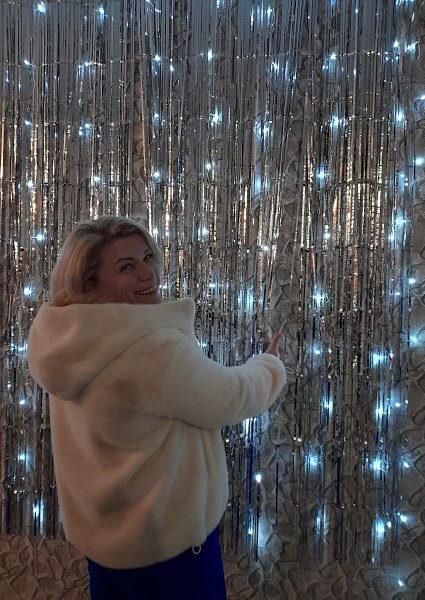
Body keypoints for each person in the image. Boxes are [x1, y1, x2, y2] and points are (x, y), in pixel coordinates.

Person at [27, 215, 286, 600]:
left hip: (105, 548)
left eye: (147, 258)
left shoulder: (64, 339)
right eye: (126, 267)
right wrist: (269, 365)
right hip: (167, 548)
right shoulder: (148, 349)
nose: (147, 273)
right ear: (91, 282)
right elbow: (230, 397)